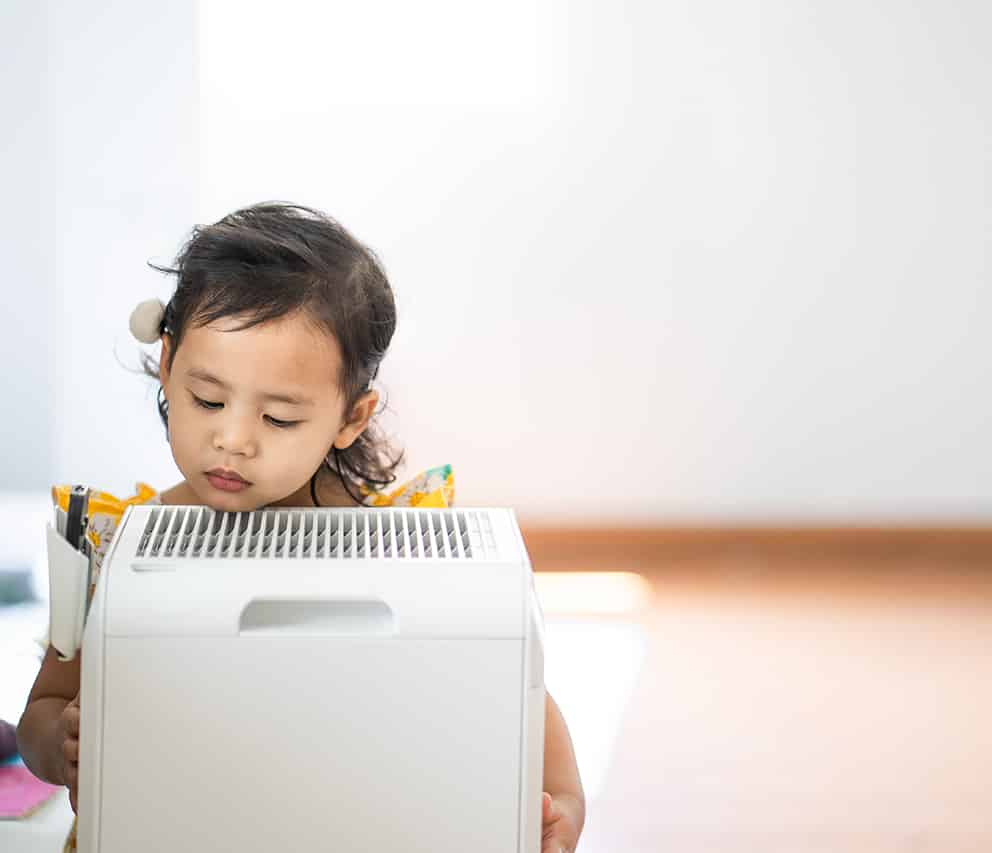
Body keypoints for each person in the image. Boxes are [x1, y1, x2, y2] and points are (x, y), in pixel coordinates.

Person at [15, 203, 585, 852]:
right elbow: (42, 707)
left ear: (351, 416)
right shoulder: (116, 546)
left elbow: (518, 691)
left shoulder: (400, 548)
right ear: (168, 363)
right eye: (207, 400)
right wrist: (58, 742)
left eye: (279, 418)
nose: (232, 440)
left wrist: (563, 800)